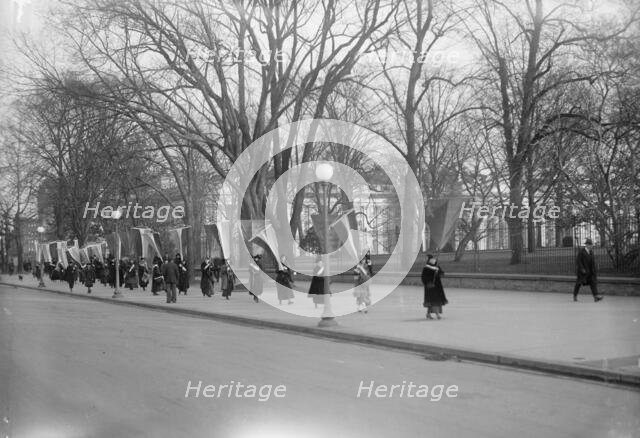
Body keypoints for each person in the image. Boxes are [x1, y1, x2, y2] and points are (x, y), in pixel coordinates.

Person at [421, 254, 448, 320]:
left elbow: (442, 273)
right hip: (430, 286)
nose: (434, 260)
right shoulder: (426, 268)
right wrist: (428, 282)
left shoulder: (437, 266)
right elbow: (423, 277)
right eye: (432, 259)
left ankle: (428, 314)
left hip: (437, 286)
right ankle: (437, 314)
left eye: (434, 259)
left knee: (434, 301)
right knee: (433, 300)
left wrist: (439, 273)